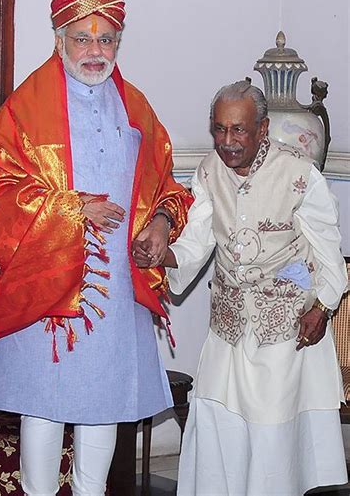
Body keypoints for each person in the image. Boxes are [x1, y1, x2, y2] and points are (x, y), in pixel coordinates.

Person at [0, 0, 192, 496]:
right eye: (82, 38)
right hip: (45, 288)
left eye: (106, 38)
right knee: (42, 407)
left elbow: (168, 185)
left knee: (103, 406)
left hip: (113, 290)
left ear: (118, 39)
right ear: (59, 38)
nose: (95, 49)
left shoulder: (135, 107)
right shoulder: (24, 108)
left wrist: (161, 222)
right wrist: (71, 208)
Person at [145, 80, 348, 495]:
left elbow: (329, 250)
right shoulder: (208, 171)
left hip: (286, 324)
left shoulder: (298, 174)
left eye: (238, 130)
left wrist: (322, 308)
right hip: (229, 324)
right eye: (219, 129)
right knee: (216, 416)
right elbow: (197, 243)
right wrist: (156, 255)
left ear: (262, 128)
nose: (228, 141)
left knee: (270, 430)